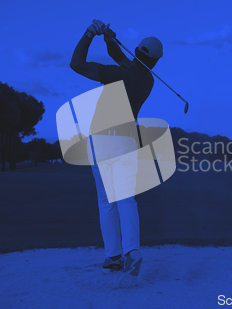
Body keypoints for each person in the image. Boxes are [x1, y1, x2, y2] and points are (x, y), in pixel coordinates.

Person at [70, 19, 163, 283]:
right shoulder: (148, 79)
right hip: (126, 141)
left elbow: (76, 64)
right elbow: (120, 57)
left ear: (136, 50)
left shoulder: (118, 74)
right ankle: (129, 252)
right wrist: (109, 38)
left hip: (100, 141)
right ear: (156, 60)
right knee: (126, 200)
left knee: (106, 202)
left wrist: (90, 33)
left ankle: (114, 255)